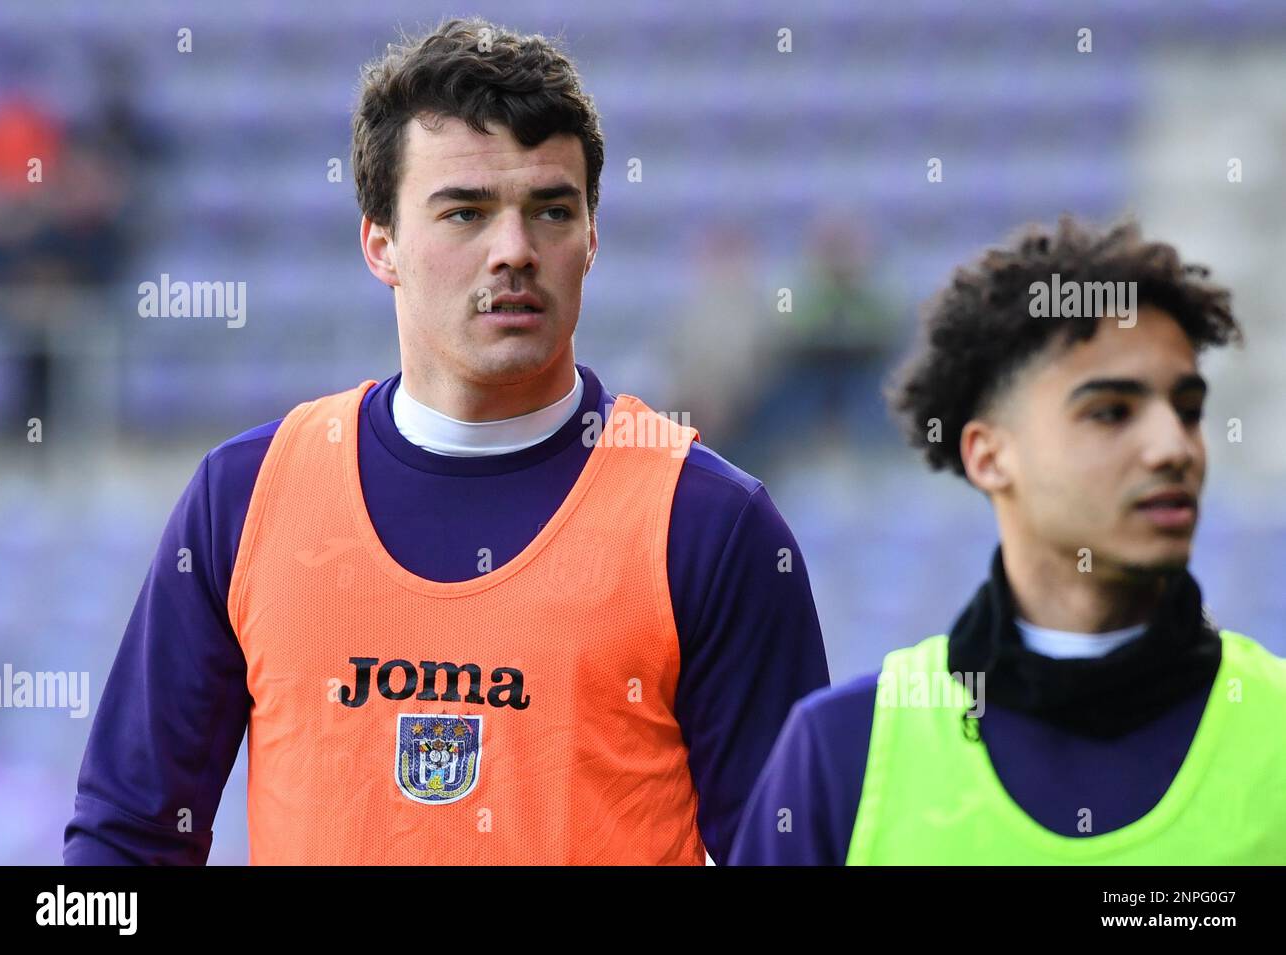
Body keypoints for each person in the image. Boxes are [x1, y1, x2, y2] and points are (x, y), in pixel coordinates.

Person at [64, 18, 828, 865]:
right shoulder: (243, 498)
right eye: (465, 212)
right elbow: (126, 841)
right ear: (380, 244)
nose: (515, 251)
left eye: (551, 210)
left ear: (591, 240)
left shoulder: (711, 524)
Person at [730, 214, 1286, 865]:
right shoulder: (842, 753)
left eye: (1187, 410)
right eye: (1111, 412)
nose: (1174, 447)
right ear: (989, 455)